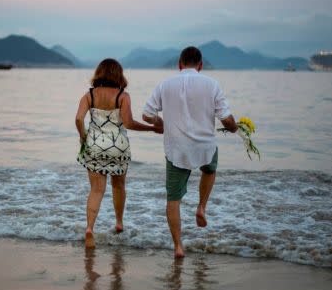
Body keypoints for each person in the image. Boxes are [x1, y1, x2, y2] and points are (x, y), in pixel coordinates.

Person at [142, 46, 238, 258]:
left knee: (173, 199)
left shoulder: (165, 84)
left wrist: (160, 123)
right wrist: (234, 128)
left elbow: (147, 115)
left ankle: (178, 247)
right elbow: (226, 118)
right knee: (209, 170)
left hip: (177, 148)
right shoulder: (212, 84)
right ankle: (201, 207)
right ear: (201, 65)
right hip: (205, 146)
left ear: (179, 64)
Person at [75, 58, 162, 249]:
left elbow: (78, 119)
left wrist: (83, 138)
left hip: (95, 146)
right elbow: (129, 123)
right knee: (119, 186)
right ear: (118, 74)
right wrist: (152, 129)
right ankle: (119, 223)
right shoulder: (123, 96)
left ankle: (90, 228)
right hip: (118, 147)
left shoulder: (89, 95)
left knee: (96, 190)